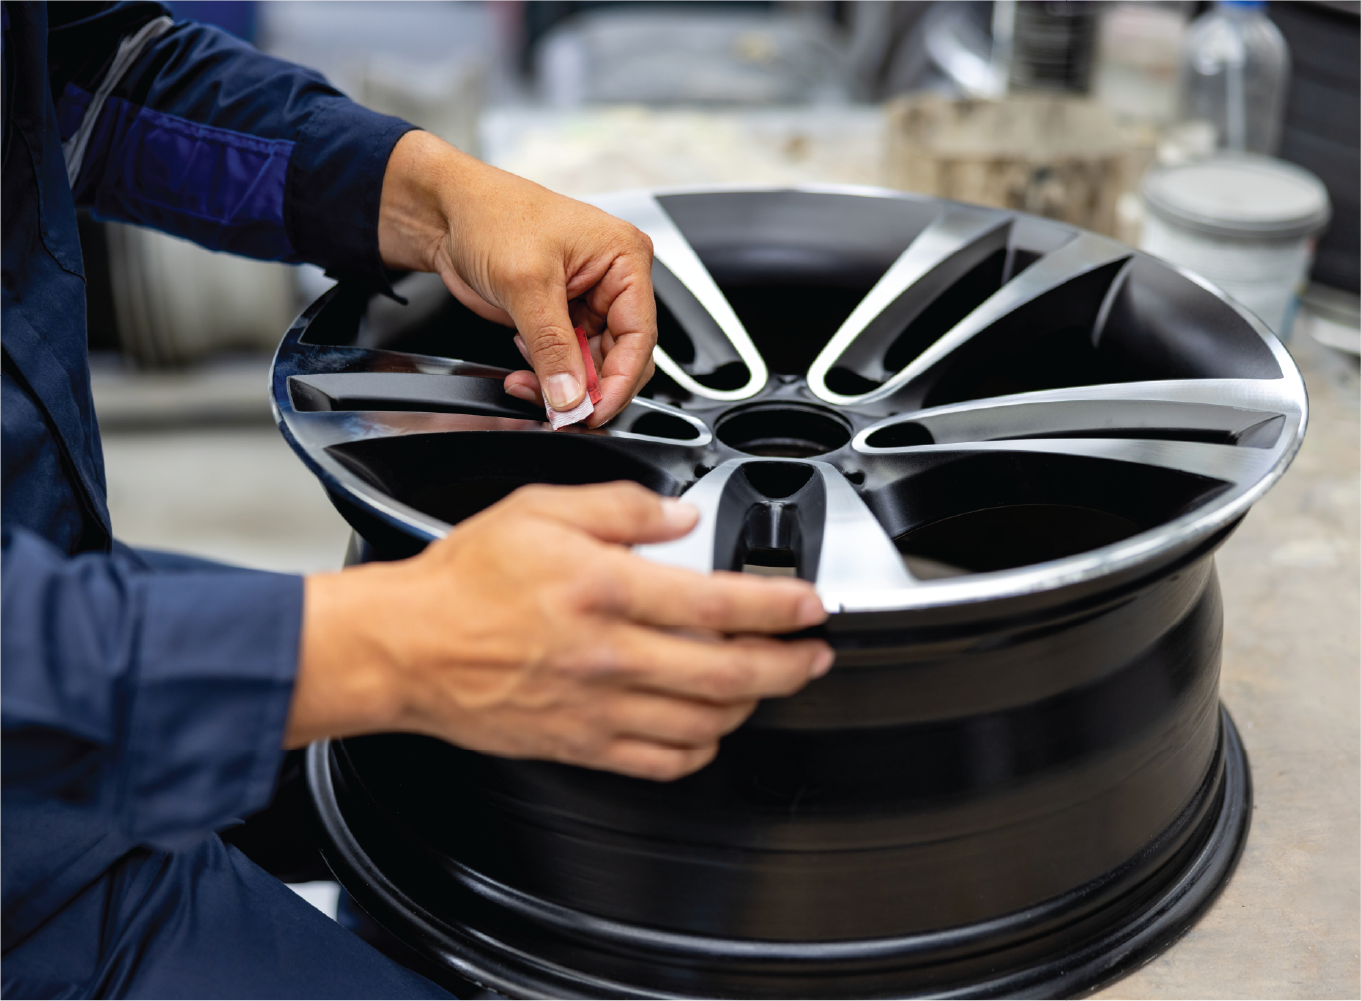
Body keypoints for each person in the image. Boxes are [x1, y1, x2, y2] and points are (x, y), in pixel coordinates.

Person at [0, 1, 834, 997]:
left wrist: (426, 196)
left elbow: (73, 73)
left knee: (488, 785)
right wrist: (386, 642)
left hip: (55, 599)